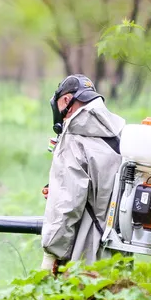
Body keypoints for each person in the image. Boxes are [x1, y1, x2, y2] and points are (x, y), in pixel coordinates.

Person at [40, 74, 126, 274]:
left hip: (84, 257)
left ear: (67, 100)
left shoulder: (73, 140)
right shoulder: (120, 137)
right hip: (118, 254)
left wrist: (51, 253)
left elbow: (66, 206)